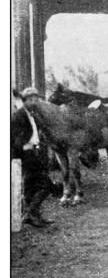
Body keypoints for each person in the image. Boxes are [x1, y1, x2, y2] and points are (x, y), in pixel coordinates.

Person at [11, 87, 55, 227]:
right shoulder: (18, 116)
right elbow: (15, 138)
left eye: (36, 100)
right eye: (31, 100)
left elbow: (42, 129)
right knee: (46, 185)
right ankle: (31, 214)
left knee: (31, 187)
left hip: (35, 153)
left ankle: (32, 216)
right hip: (26, 155)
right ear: (24, 101)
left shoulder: (33, 115)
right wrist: (24, 150)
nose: (34, 102)